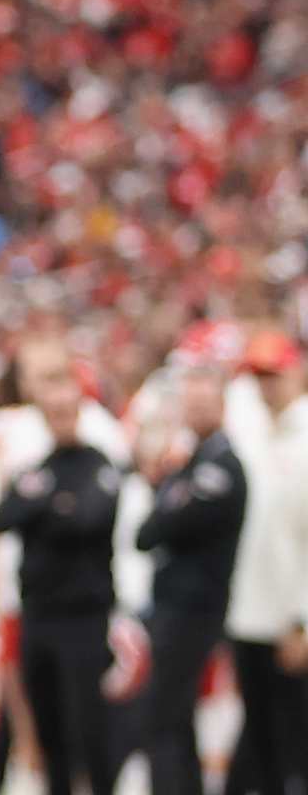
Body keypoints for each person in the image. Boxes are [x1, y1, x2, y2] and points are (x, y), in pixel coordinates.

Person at [0, 335, 123, 795]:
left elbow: (89, 518)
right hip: (38, 614)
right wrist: (53, 504)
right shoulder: (37, 466)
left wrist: (41, 505)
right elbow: (1, 517)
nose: (61, 419)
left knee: (88, 725)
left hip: (83, 616)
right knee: (48, 728)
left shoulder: (98, 462)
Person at [136, 363, 246, 795]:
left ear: (221, 406)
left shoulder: (222, 466)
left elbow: (161, 526)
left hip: (195, 608)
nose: (196, 411)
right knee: (175, 720)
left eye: (205, 403)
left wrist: (168, 500)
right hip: (175, 605)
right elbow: (149, 529)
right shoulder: (193, 462)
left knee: (161, 718)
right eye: (191, 403)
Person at [222, 330, 308, 795]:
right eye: (258, 376)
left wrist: (304, 621)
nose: (265, 386)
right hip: (250, 617)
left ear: (296, 371)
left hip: (289, 625)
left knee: (292, 751)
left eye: (272, 374)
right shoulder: (255, 437)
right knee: (263, 748)